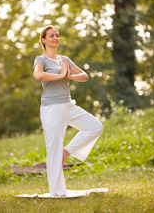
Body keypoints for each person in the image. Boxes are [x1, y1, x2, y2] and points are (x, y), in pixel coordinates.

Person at [33, 25, 103, 197]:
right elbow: (38, 76)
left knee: (95, 127)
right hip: (51, 108)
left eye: (57, 35)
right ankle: (57, 193)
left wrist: (69, 75)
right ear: (43, 40)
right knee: (53, 149)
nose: (55, 38)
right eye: (51, 36)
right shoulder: (41, 60)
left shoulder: (65, 59)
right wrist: (60, 75)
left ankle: (67, 152)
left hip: (68, 105)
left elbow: (84, 76)